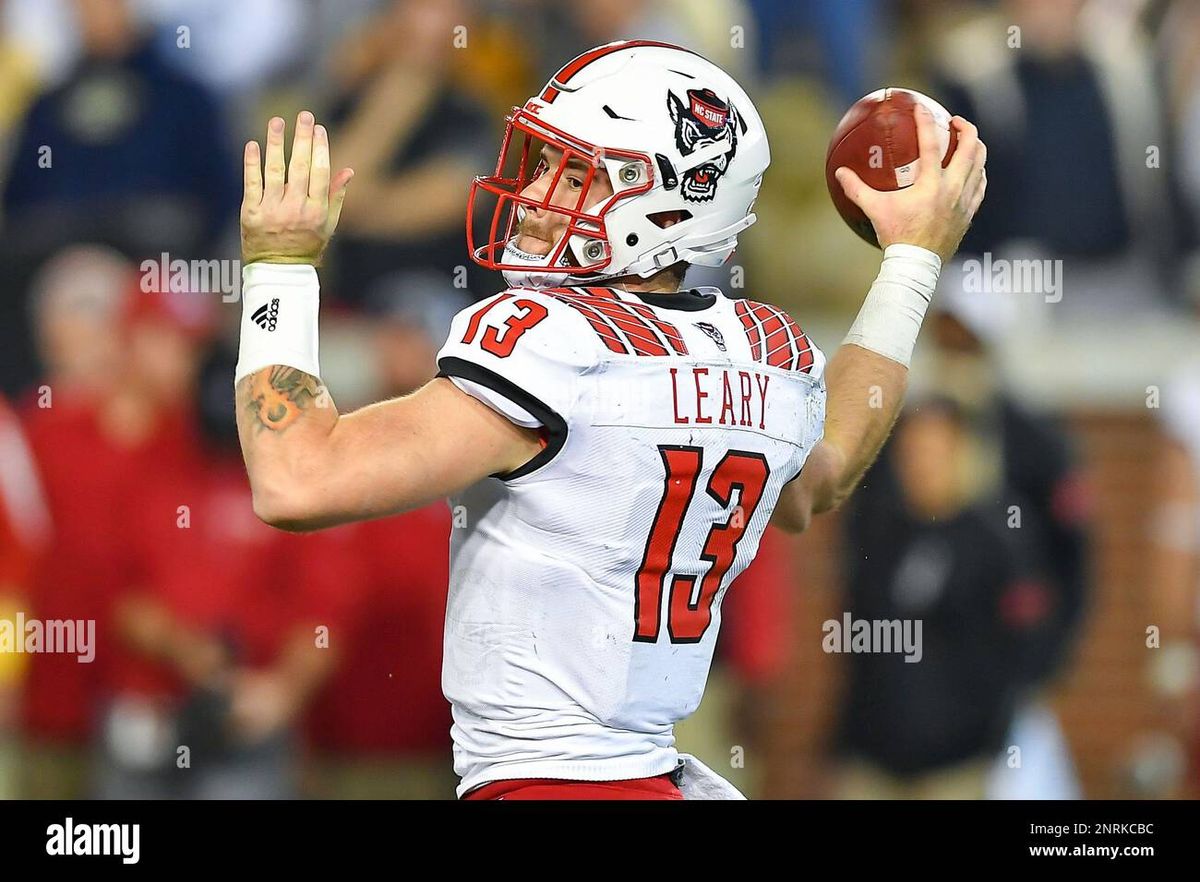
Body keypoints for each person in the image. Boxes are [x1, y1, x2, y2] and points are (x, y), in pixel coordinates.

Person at [231, 41, 987, 799]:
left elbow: (297, 480)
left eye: (574, 173)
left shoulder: (552, 343)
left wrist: (280, 267)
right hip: (651, 779)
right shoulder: (762, 353)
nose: (531, 194)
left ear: (664, 201)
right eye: (541, 163)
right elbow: (818, 480)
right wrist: (913, 260)